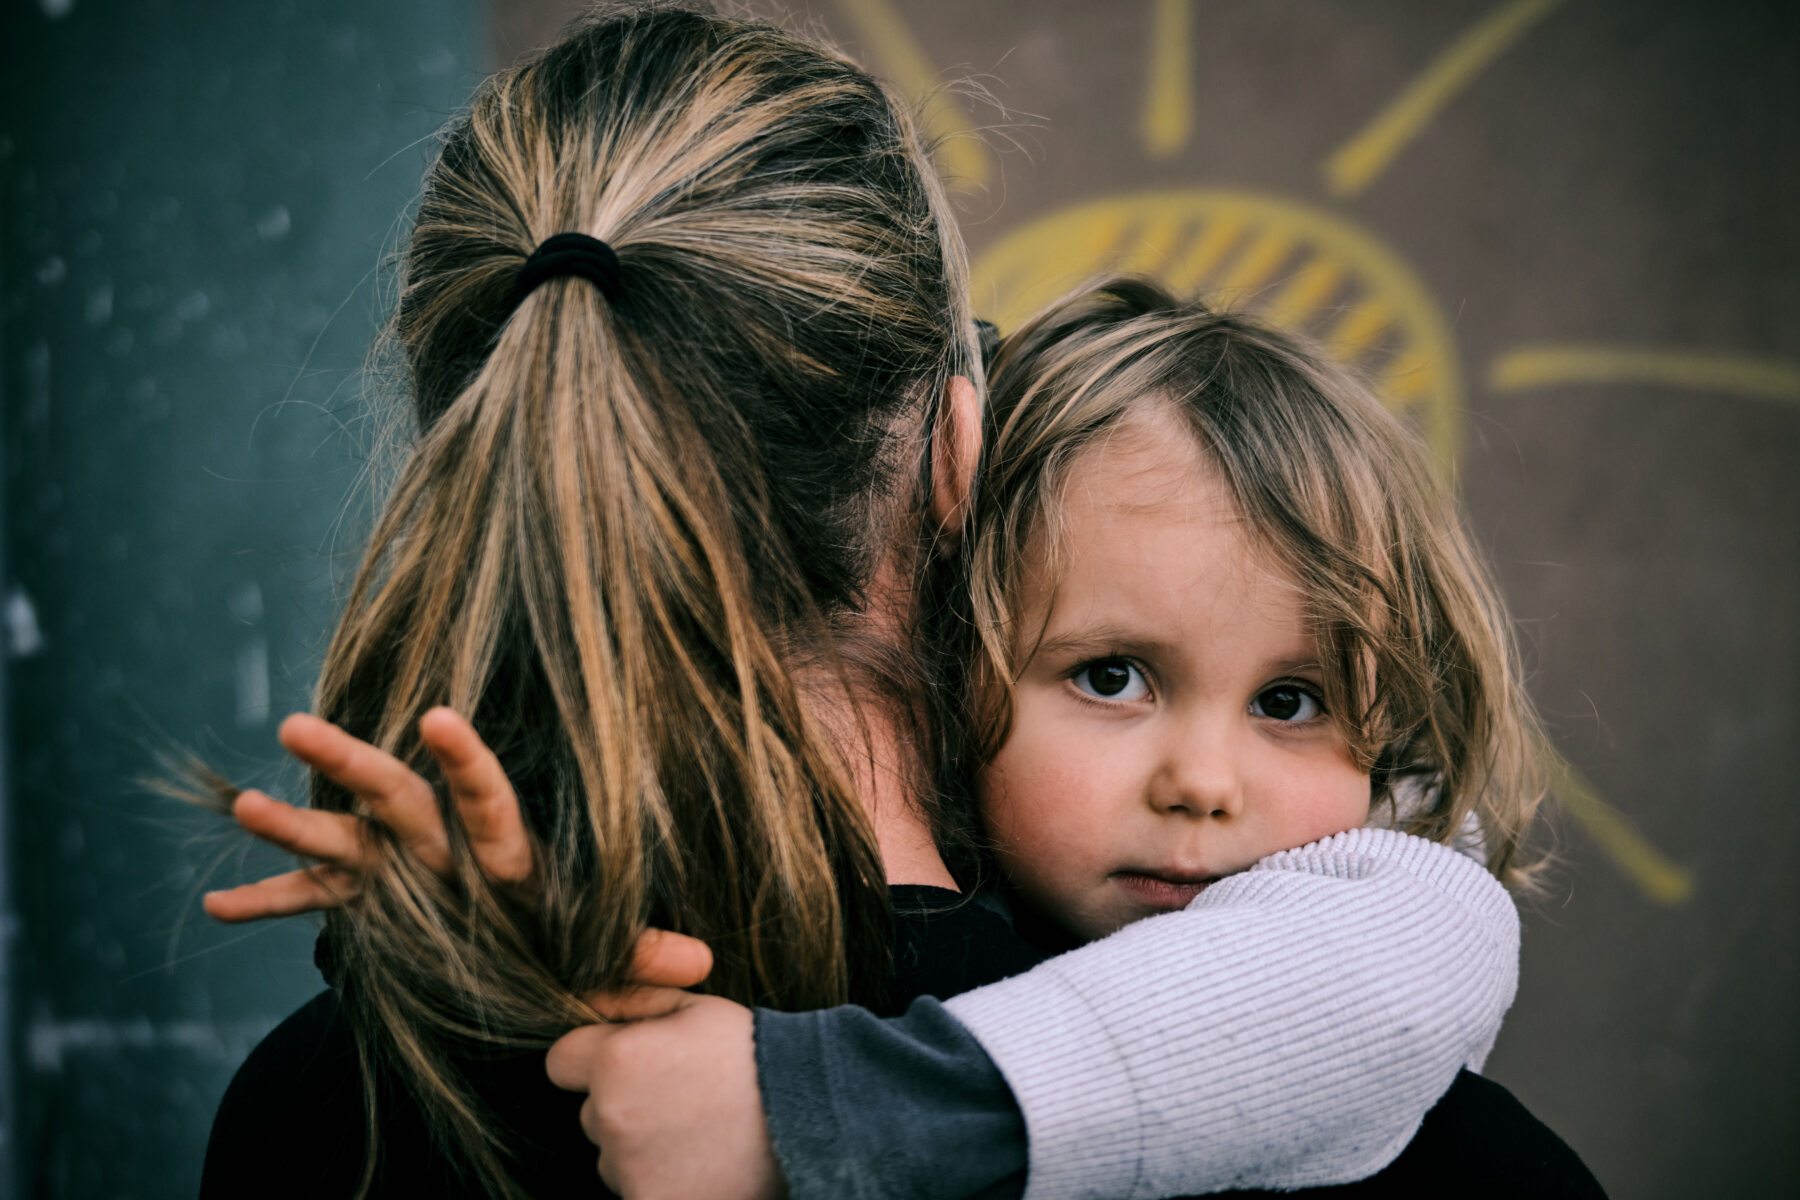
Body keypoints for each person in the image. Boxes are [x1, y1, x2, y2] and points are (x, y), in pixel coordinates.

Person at [199, 5, 1545, 1198]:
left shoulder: (332, 1111)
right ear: (961, 454)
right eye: (1116, 675)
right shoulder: (1397, 1140)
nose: (1202, 781)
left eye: (1292, 702)